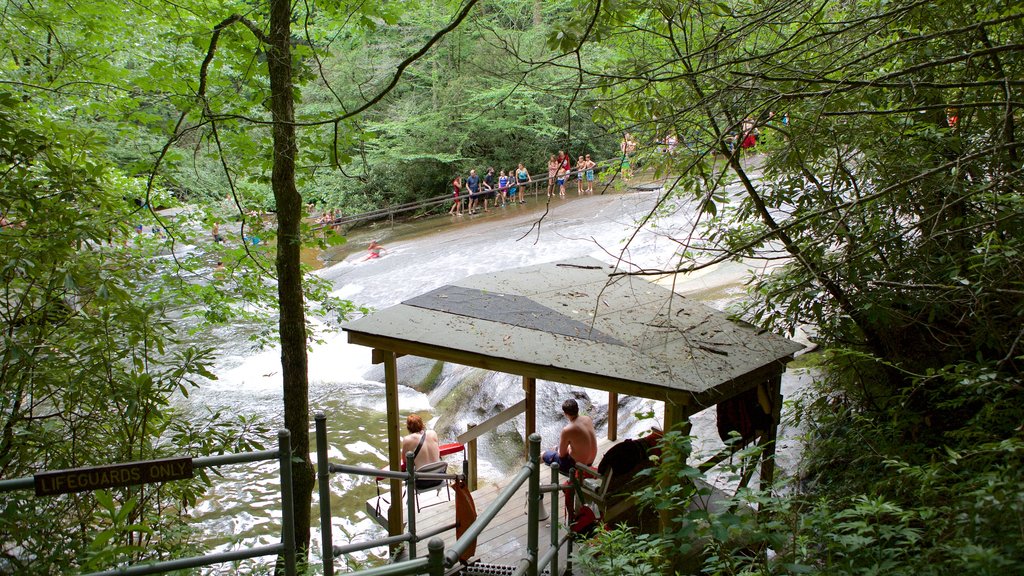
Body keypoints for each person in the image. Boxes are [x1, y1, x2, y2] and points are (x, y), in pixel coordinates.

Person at [542, 398, 598, 475]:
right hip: (590, 462)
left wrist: (563, 450)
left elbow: (561, 454)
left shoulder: (567, 430)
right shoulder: (587, 419)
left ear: (565, 414)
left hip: (576, 467)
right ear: (578, 409)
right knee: (556, 447)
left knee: (544, 454)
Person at [401, 414, 442, 485]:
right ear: (422, 424)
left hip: (422, 482)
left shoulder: (407, 440)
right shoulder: (433, 433)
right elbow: (437, 450)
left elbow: (404, 460)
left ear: (408, 427)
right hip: (439, 477)